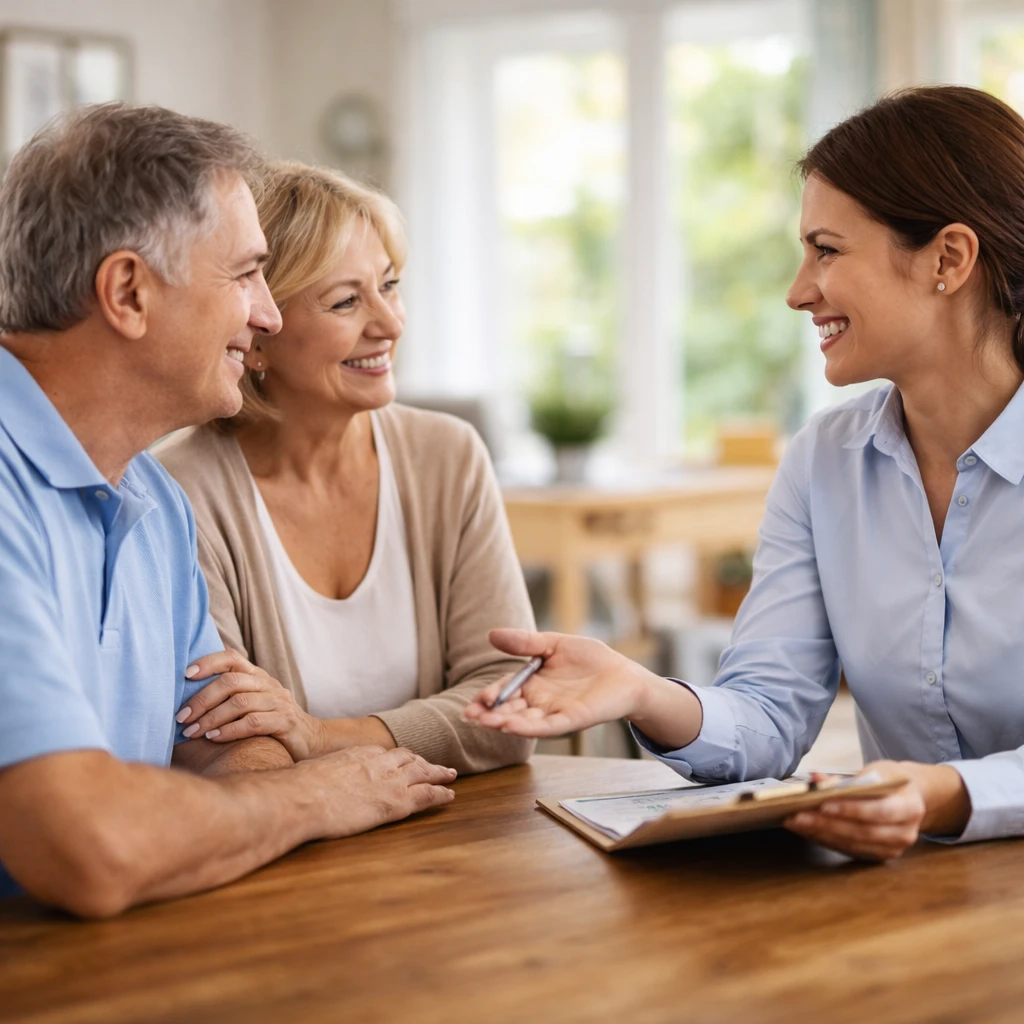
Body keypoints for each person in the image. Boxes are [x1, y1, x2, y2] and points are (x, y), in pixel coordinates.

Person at [467, 85, 1024, 862]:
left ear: (948, 258)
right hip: (913, 894)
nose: (798, 291)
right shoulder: (824, 461)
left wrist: (944, 793)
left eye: (826, 250)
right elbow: (768, 720)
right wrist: (642, 689)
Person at [0, 105, 457, 918]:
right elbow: (90, 847)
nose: (269, 314)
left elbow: (231, 742)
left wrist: (230, 799)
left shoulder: (152, 500)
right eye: (245, 274)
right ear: (130, 292)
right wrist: (315, 796)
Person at [157, 161, 534, 774]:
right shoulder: (181, 492)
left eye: (390, 285)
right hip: (294, 853)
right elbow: (228, 742)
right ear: (258, 332)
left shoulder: (448, 456)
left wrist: (319, 735)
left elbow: (512, 703)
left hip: (455, 833)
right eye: (345, 301)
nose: (389, 324)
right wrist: (415, 734)